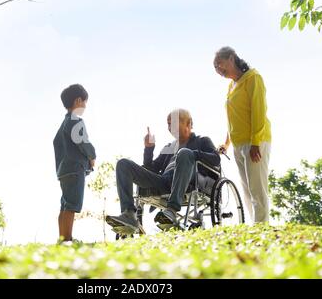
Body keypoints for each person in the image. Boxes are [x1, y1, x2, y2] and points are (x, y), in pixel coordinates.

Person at [105, 108, 220, 234]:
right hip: (164, 181)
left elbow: (215, 159)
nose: (170, 127)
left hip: (189, 179)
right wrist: (149, 149)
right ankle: (129, 215)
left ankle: (171, 210)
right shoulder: (169, 147)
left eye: (174, 123)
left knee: (185, 153)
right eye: (168, 123)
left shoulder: (202, 141)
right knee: (123, 164)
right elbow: (151, 169)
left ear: (188, 123)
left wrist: (192, 155)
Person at [213, 46, 272, 223]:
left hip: (256, 141)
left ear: (231, 58)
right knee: (247, 190)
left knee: (257, 188)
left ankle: (262, 227)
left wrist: (255, 143)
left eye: (220, 64)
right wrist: (226, 143)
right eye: (216, 68)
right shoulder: (232, 86)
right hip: (239, 144)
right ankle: (255, 226)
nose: (219, 70)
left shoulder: (253, 78)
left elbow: (258, 112)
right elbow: (234, 118)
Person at [53, 84, 96, 242]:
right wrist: (92, 156)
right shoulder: (76, 120)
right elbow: (82, 141)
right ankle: (67, 239)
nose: (85, 106)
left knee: (65, 204)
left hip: (63, 170)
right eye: (85, 102)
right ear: (78, 101)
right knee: (72, 205)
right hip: (75, 168)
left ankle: (62, 238)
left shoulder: (64, 123)